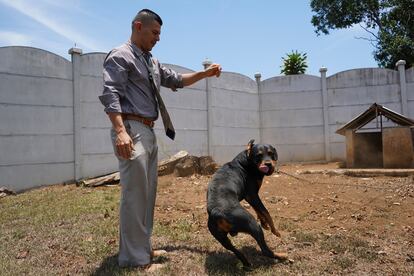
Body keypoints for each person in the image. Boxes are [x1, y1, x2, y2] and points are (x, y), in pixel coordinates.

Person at [99, 8, 221, 271]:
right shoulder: (120, 56)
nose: (158, 38)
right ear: (137, 26)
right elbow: (110, 94)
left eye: (159, 34)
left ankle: (142, 248)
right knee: (134, 194)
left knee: (147, 193)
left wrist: (205, 74)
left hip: (148, 130)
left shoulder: (150, 61)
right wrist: (120, 131)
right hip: (131, 128)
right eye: (154, 33)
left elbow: (175, 79)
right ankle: (134, 259)